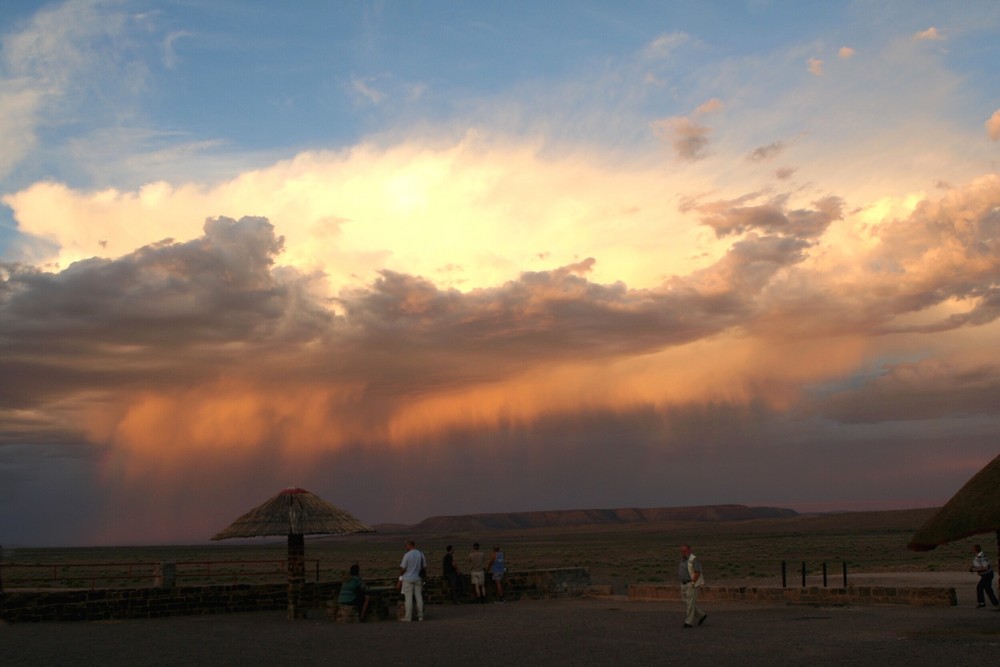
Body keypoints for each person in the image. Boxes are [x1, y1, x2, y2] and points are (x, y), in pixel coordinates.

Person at [678, 544, 707, 628]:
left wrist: (693, 583)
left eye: (684, 551)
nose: (683, 553)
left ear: (689, 550)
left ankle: (689, 622)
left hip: (690, 583)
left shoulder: (694, 559)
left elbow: (698, 571)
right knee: (687, 602)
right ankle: (702, 615)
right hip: (683, 584)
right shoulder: (683, 559)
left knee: (690, 603)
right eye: (682, 551)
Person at [399, 540, 426, 621]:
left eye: (406, 546)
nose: (405, 547)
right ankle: (420, 616)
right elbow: (424, 567)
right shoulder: (421, 554)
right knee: (419, 597)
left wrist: (402, 572)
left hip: (408, 579)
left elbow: (403, 568)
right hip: (418, 578)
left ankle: (408, 617)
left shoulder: (407, 555)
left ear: (409, 545)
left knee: (408, 599)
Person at [969, 544, 1000, 608]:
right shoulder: (978, 556)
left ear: (975, 549)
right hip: (985, 575)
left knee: (981, 587)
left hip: (987, 575)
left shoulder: (981, 557)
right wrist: (972, 567)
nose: (971, 549)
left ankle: (983, 603)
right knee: (987, 589)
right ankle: (994, 603)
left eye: (972, 548)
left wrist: (974, 570)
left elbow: (986, 567)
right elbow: (977, 564)